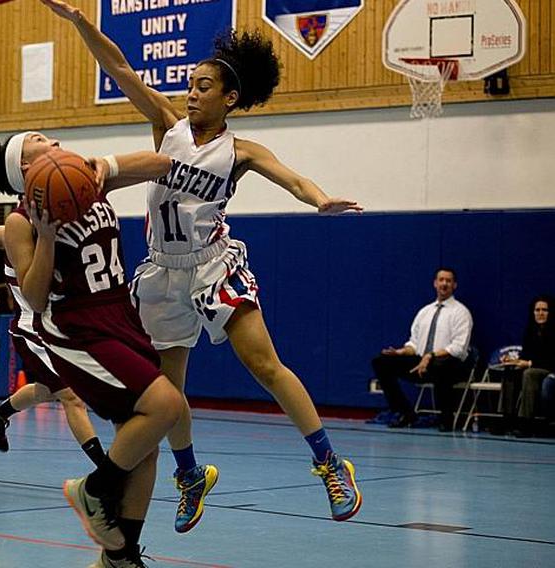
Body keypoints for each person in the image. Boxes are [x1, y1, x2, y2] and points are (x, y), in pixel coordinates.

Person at [42, 0, 363, 527]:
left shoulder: (242, 150)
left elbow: (293, 178)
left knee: (264, 365)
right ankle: (190, 474)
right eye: (190, 83)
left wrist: (320, 199)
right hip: (162, 271)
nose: (191, 92)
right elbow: (119, 67)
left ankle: (330, 462)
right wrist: (81, 23)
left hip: (213, 264)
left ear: (230, 98)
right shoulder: (167, 124)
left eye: (203, 86)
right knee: (168, 391)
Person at [0, 132, 183, 567]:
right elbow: (34, 297)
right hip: (76, 328)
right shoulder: (21, 221)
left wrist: (105, 165)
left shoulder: (87, 179)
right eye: (40, 141)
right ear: (26, 168)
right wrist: (48, 237)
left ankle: (120, 557)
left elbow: (161, 164)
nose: (53, 139)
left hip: (119, 313)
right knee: (167, 404)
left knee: (147, 445)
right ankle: (94, 489)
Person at [0, 225, 105, 466]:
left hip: (60, 326)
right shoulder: (9, 232)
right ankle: (107, 470)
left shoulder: (64, 233)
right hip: (31, 328)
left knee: (47, 389)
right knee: (71, 396)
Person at [372, 268, 473, 432]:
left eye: (448, 281)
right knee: (381, 362)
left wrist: (430, 356)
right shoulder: (425, 312)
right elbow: (414, 344)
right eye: (441, 280)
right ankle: (405, 412)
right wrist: (401, 352)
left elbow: (458, 348)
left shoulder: (461, 312)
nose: (444, 284)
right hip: (421, 363)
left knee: (442, 366)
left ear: (454, 285)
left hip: (448, 364)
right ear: (435, 283)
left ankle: (446, 418)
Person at [495, 296, 554, 437]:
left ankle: (525, 422)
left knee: (529, 373)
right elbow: (527, 354)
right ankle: (507, 418)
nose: (540, 313)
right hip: (534, 367)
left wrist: (529, 363)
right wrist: (513, 361)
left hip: (550, 370)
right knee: (510, 371)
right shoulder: (530, 330)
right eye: (537, 310)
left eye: (544, 310)